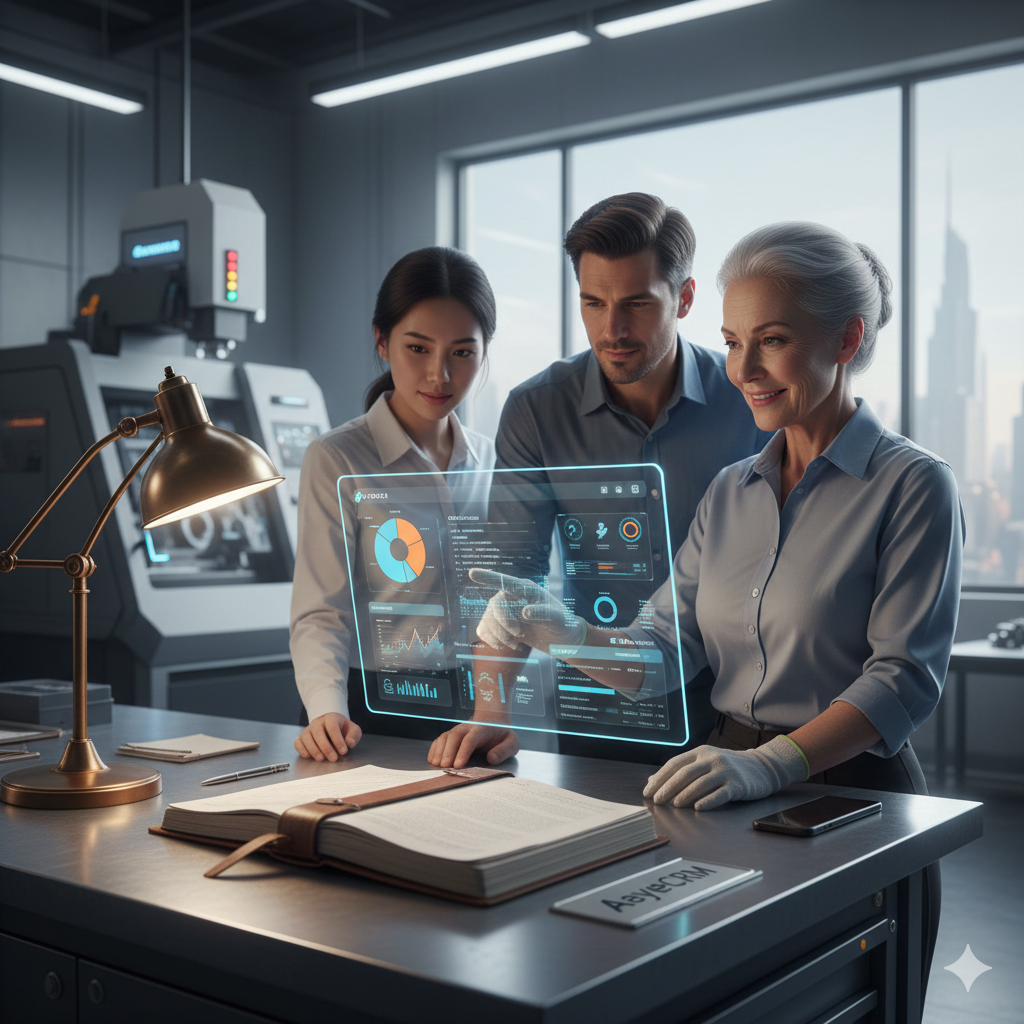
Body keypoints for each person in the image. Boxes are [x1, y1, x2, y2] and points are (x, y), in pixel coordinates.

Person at [466, 222, 962, 1005]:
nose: (743, 370)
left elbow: (902, 678)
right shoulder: (731, 490)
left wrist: (770, 763)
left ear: (848, 337)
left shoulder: (912, 486)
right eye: (732, 343)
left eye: (770, 341)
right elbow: (661, 652)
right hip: (718, 790)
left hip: (856, 794)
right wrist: (547, 624)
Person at [428, 192, 769, 769]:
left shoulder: (749, 398)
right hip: (603, 708)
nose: (612, 328)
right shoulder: (538, 409)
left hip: (739, 708)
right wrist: (491, 708)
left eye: (636, 303)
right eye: (593, 302)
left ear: (684, 298)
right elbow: (514, 574)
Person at [291, 246, 497, 763]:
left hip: (467, 708)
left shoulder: (492, 461)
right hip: (363, 710)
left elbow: (504, 602)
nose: (440, 375)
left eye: (462, 352)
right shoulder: (337, 457)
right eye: (418, 348)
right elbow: (321, 609)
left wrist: (495, 708)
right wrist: (324, 710)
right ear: (382, 342)